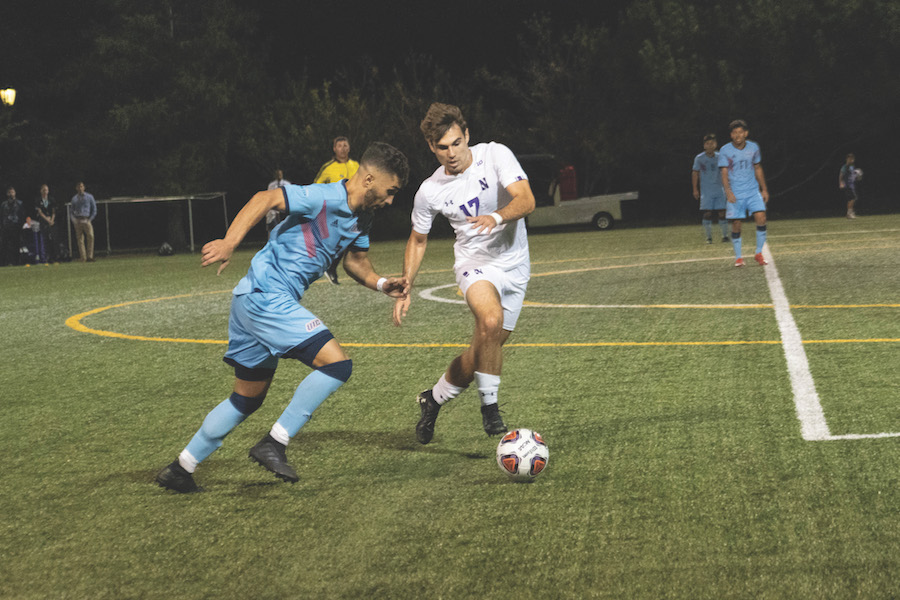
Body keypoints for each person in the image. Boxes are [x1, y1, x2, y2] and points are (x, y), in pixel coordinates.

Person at [156, 142, 410, 493]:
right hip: (267, 297)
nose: (391, 200)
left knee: (247, 398)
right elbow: (265, 198)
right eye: (390, 191)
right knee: (337, 365)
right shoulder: (322, 197)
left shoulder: (363, 218)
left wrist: (382, 284)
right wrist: (230, 242)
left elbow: (355, 261)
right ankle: (274, 442)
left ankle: (181, 468)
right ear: (368, 179)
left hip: (250, 301)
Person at [392, 102, 536, 444]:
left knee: (480, 354)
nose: (451, 153)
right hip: (473, 265)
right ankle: (491, 410)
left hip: (515, 266)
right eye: (442, 147)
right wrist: (407, 283)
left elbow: (526, 200)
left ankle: (433, 399)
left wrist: (497, 217)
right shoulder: (430, 190)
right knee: (489, 322)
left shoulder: (495, 154)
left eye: (456, 143)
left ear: (467, 135)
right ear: (431, 147)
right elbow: (418, 238)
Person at [718, 120, 770, 267]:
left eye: (740, 132)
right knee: (736, 224)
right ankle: (739, 257)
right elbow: (724, 172)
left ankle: (759, 253)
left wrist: (764, 189)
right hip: (735, 193)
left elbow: (758, 168)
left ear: (746, 133)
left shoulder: (754, 147)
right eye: (734, 133)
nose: (737, 135)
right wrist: (728, 192)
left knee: (761, 217)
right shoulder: (725, 150)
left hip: (753, 191)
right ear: (731, 135)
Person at [314, 136, 360, 285]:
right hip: (333, 211)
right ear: (334, 149)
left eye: (345, 145)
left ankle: (332, 267)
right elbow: (316, 186)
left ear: (349, 148)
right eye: (339, 146)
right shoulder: (328, 167)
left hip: (353, 210)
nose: (342, 148)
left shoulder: (356, 165)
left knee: (351, 238)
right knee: (339, 240)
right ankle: (327, 266)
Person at [692, 133, 729, 244]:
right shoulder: (699, 158)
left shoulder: (720, 157)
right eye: (707, 144)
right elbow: (695, 173)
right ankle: (708, 237)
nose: (710, 146)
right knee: (707, 213)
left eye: (712, 143)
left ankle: (725, 236)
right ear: (704, 146)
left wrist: (728, 187)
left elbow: (725, 172)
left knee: (722, 213)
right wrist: (695, 189)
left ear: (715, 144)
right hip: (706, 191)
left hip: (719, 189)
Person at [70, 181, 97, 262]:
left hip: (86, 219)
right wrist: (74, 220)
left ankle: (90, 256)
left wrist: (90, 219)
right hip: (78, 219)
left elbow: (94, 209)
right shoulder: (74, 198)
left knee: (90, 236)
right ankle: (83, 257)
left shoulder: (89, 197)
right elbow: (72, 210)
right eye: (78, 187)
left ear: (84, 187)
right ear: (76, 188)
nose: (80, 188)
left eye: (81, 186)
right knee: (80, 239)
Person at [1, 186, 25, 266]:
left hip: (16, 227)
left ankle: (16, 262)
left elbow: (22, 215)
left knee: (16, 245)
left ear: (15, 193)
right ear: (7, 194)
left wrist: (20, 226)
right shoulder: (3, 204)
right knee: (4, 246)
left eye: (12, 192)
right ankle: (4, 262)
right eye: (9, 192)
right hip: (6, 227)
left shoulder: (20, 203)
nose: (11, 194)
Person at [32, 184, 56, 263]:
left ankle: (53, 257)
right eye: (43, 190)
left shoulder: (51, 199)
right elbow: (40, 212)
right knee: (44, 239)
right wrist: (47, 220)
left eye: (46, 190)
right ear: (41, 191)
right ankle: (45, 257)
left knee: (52, 239)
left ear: (48, 191)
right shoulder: (38, 200)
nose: (45, 191)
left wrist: (51, 220)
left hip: (51, 222)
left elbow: (53, 212)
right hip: (43, 221)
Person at [265, 168, 291, 232]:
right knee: (273, 227)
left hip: (284, 208)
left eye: (280, 174)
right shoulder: (271, 185)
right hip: (274, 209)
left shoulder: (287, 184)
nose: (279, 176)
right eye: (277, 174)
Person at [839, 153, 862, 219]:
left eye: (852, 159)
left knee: (850, 199)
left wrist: (857, 175)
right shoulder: (845, 166)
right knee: (853, 198)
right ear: (847, 159)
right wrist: (841, 182)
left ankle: (849, 213)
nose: (851, 160)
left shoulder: (852, 167)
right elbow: (841, 174)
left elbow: (852, 175)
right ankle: (849, 213)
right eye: (849, 158)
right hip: (847, 185)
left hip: (851, 185)